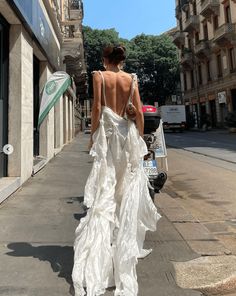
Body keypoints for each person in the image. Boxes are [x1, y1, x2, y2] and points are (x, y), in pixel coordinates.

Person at [72, 45, 161, 296]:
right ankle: (120, 246)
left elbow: (98, 108)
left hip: (109, 139)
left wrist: (92, 136)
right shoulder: (131, 78)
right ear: (121, 60)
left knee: (105, 192)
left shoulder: (99, 75)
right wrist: (140, 141)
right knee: (122, 192)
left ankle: (103, 253)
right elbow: (139, 110)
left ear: (104, 59)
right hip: (128, 138)